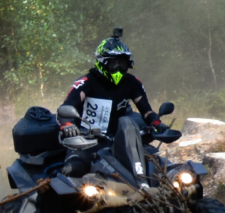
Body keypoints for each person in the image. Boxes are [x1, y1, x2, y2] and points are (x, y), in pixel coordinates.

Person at [58, 29, 176, 172]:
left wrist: (157, 123)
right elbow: (66, 109)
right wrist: (68, 125)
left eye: (123, 63)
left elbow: (146, 111)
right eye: (114, 63)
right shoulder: (86, 82)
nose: (119, 68)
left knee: (156, 164)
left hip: (121, 140)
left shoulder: (132, 82)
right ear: (102, 62)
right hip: (87, 140)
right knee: (73, 168)